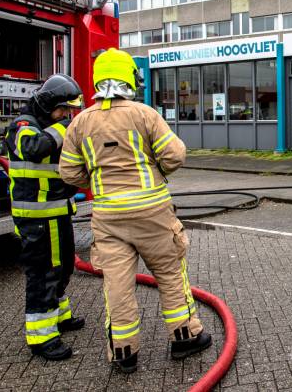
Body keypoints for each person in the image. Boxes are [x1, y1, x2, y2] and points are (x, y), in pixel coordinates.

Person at [59, 48, 210, 374]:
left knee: (117, 285)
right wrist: (156, 172)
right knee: (170, 275)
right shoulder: (144, 114)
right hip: (152, 213)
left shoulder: (80, 122)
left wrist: (98, 182)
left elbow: (69, 173)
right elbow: (176, 155)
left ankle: (123, 352)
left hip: (108, 218)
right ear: (129, 78)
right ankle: (185, 338)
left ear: (97, 79)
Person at [5, 74, 86, 361]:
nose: (66, 115)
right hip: (37, 219)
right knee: (43, 274)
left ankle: (60, 316)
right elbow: (33, 148)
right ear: (49, 103)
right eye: (63, 109)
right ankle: (42, 337)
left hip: (57, 213)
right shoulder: (23, 126)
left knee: (63, 267)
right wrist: (66, 127)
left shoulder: (50, 126)